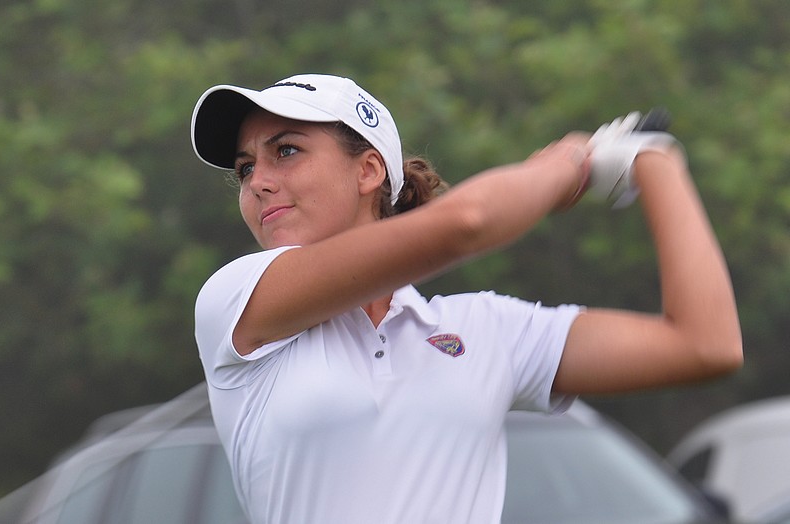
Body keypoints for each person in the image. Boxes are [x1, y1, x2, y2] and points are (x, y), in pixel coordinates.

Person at [191, 73, 742, 524]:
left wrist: (655, 162)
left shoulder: (482, 329)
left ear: (367, 170)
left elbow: (703, 344)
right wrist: (565, 164)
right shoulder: (235, 302)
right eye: (245, 168)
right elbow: (467, 222)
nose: (257, 181)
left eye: (285, 151)